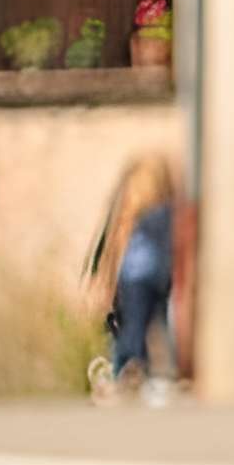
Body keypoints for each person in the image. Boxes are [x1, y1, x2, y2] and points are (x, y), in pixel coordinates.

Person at [96, 155, 182, 402]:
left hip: (134, 283)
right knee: (153, 328)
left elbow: (116, 259)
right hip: (154, 281)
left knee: (132, 329)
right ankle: (143, 374)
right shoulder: (163, 213)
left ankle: (127, 371)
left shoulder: (132, 215)